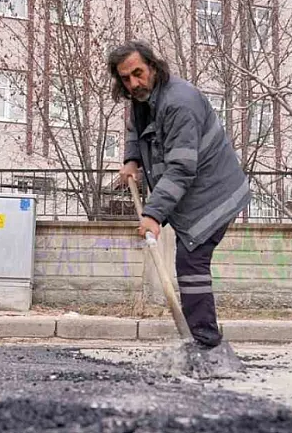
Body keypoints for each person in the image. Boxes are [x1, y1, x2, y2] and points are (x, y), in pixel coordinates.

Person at [107, 39, 250, 349]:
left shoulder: (179, 104)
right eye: (126, 78)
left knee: (191, 260)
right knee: (188, 260)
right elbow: (136, 128)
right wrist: (132, 160)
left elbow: (182, 168)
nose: (133, 83)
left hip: (214, 194)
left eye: (138, 73)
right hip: (192, 191)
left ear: (154, 67)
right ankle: (200, 340)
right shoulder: (143, 98)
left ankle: (206, 345)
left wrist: (153, 215)